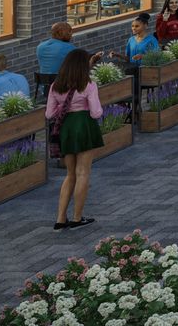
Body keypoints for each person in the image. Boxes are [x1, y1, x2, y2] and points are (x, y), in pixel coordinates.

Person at [45, 49, 103, 230]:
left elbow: (49, 114)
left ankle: (60, 218)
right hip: (84, 125)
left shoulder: (56, 86)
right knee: (83, 173)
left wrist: (64, 108)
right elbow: (96, 112)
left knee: (70, 175)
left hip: (66, 128)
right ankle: (77, 218)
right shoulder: (88, 84)